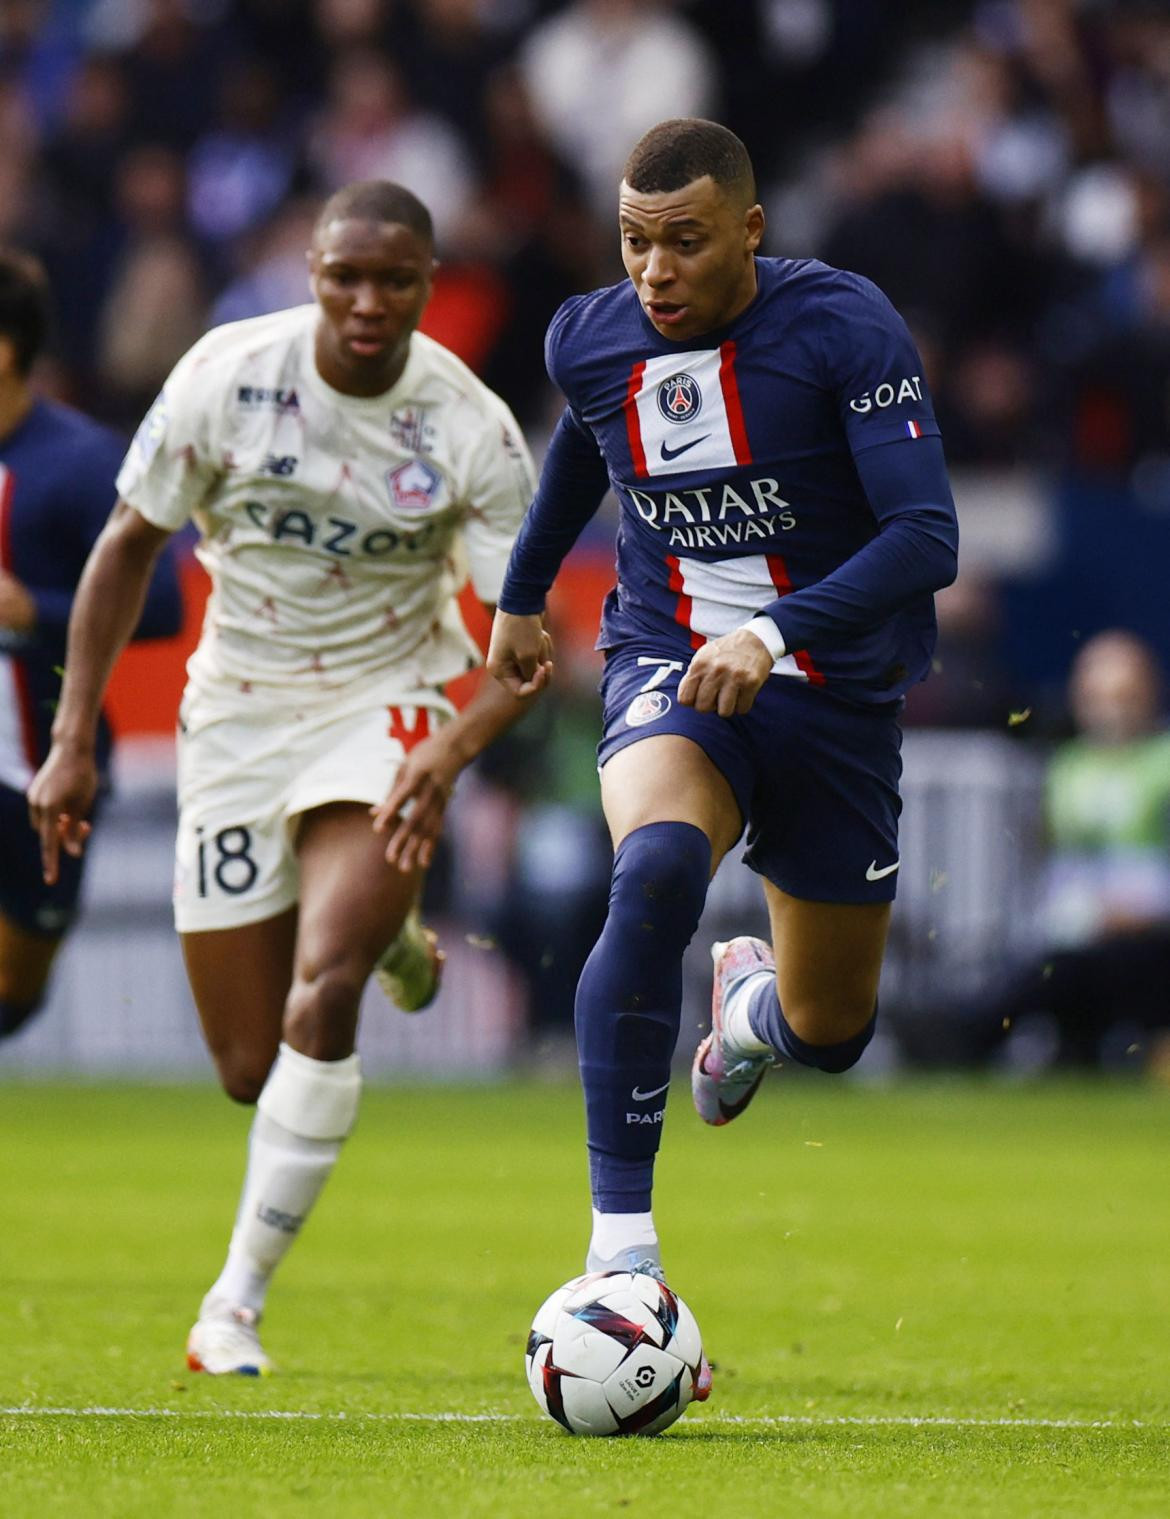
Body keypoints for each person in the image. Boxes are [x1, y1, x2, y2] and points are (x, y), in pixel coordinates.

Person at [28, 181, 540, 1376]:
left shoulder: (469, 427)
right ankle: (395, 931)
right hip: (239, 717)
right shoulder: (226, 374)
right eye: (345, 276)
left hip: (389, 704)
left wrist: (447, 746)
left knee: (326, 992)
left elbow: (526, 655)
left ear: (428, 284)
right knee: (251, 1067)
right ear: (309, 269)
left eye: (397, 280)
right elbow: (125, 552)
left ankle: (233, 1305)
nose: (369, 303)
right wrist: (71, 735)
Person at [488, 120, 958, 1319]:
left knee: (833, 1029)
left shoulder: (843, 328)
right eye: (636, 243)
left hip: (833, 686)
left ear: (749, 231)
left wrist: (777, 633)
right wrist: (523, 594)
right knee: (650, 873)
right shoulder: (588, 338)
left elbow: (926, 538)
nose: (654, 272)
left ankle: (747, 1015)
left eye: (685, 244)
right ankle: (622, 1260)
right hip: (670, 656)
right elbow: (585, 453)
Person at [0, 247, 182, 1043]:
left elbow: (165, 604)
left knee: (17, 981)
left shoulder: (79, 462)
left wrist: (30, 608)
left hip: (37, 759)